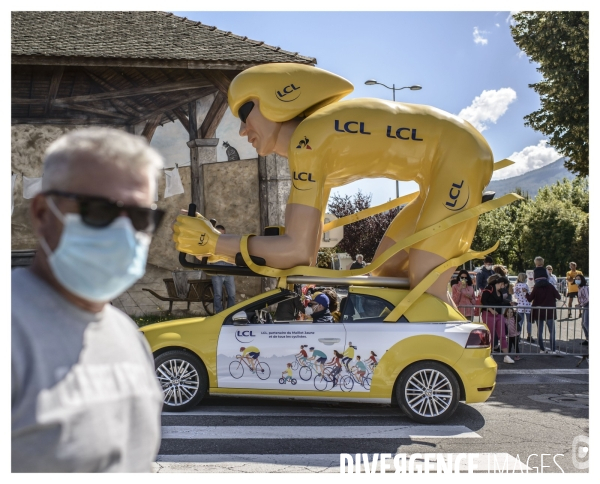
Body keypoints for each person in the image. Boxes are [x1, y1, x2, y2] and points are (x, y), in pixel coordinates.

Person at [173, 63, 497, 305]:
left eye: (245, 113)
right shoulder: (315, 141)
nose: (243, 131)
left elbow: (295, 250)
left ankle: (449, 349)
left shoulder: (308, 140)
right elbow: (305, 257)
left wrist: (216, 243)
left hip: (458, 155)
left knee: (426, 282)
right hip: (451, 157)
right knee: (385, 274)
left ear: (279, 99)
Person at [11, 128, 165, 472]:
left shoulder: (126, 335)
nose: (125, 232)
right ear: (41, 213)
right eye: (99, 211)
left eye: (141, 217)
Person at [480, 274, 515, 364]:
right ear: (501, 283)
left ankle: (506, 356)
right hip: (488, 314)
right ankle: (489, 354)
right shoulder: (489, 288)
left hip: (499, 314)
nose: (505, 287)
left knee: (502, 335)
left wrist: (509, 303)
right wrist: (491, 310)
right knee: (490, 334)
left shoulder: (500, 291)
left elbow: (501, 302)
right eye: (504, 285)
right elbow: (484, 301)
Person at [526, 274, 561, 354]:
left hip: (539, 312)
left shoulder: (536, 287)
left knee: (540, 331)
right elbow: (558, 296)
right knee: (552, 331)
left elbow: (530, 299)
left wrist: (526, 293)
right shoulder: (551, 286)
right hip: (549, 311)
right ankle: (553, 350)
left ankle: (542, 349)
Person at [209, 225, 236, 313]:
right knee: (218, 295)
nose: (221, 237)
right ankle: (219, 314)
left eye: (223, 234)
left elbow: (234, 255)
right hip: (216, 273)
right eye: (219, 234)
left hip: (229, 272)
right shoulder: (211, 244)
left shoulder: (229, 244)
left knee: (232, 295)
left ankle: (229, 313)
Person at [514, 273, 534, 343]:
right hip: (527, 305)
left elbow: (516, 296)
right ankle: (529, 335)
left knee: (520, 322)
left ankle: (518, 335)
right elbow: (528, 294)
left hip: (520, 305)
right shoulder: (526, 285)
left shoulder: (516, 286)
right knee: (529, 321)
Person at [575, 274, 589, 346]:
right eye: (576, 279)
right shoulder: (579, 288)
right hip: (585, 305)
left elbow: (588, 299)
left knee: (586, 323)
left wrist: (580, 305)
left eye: (579, 279)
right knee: (583, 324)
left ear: (582, 280)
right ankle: (587, 339)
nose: (577, 280)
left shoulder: (585, 288)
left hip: (588, 305)